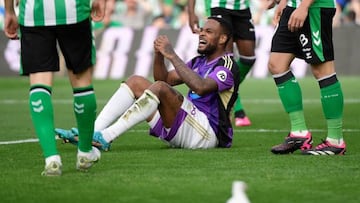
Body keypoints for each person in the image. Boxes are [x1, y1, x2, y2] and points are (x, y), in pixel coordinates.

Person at [55, 16, 240, 151]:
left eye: (208, 32)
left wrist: (173, 55)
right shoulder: (199, 61)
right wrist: (159, 55)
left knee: (160, 89)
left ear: (223, 39)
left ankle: (106, 137)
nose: (201, 34)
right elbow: (164, 80)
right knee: (136, 81)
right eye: (201, 30)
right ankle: (90, 133)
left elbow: (200, 87)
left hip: (207, 134)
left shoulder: (227, 65)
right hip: (187, 125)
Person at [3, 0, 107, 176]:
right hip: (73, 10)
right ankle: (85, 153)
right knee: (82, 81)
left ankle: (51, 159)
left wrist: (9, 11)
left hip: (33, 13)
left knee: (39, 82)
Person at [267, 0, 346, 155]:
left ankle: (336, 141)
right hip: (293, 6)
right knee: (277, 64)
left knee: (322, 70)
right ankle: (299, 133)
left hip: (313, 8)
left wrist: (304, 6)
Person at [187, 0, 256, 127]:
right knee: (225, 58)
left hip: (242, 7)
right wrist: (191, 12)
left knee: (249, 58)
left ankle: (227, 89)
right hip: (218, 5)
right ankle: (234, 109)